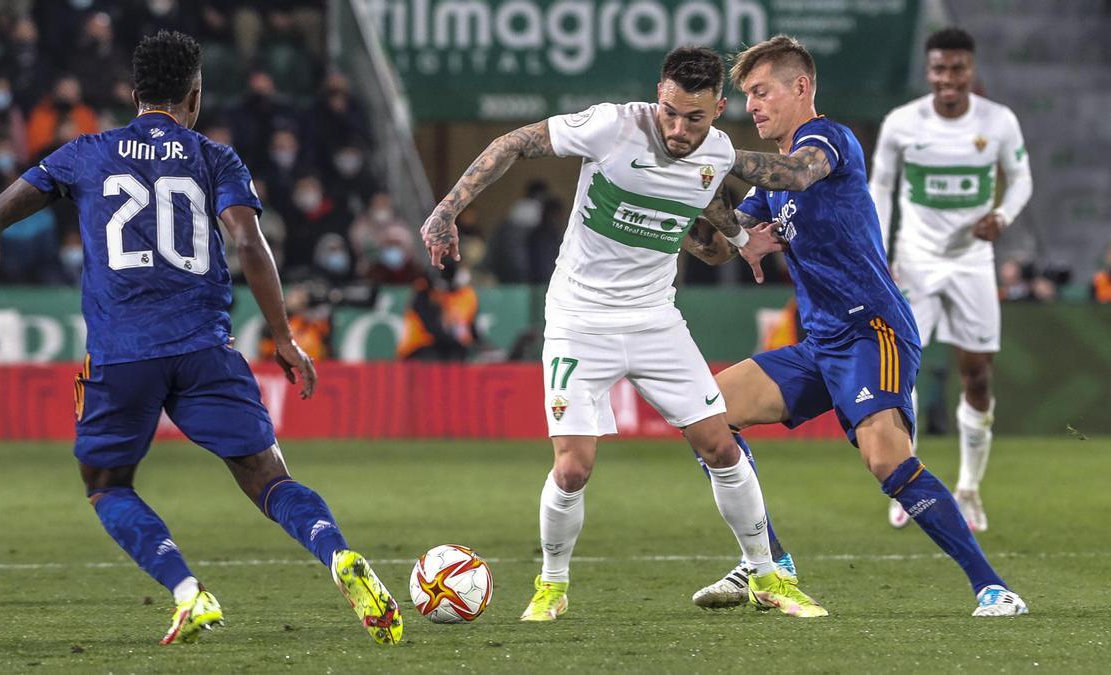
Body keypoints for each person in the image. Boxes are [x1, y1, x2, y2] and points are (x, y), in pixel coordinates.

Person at [0, 31, 401, 646]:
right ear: (195, 95)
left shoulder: (83, 153)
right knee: (270, 478)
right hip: (204, 347)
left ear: (134, 95)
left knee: (107, 486)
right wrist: (285, 337)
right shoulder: (216, 158)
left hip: (122, 354)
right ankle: (339, 554)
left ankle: (189, 592)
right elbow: (248, 245)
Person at [422, 46, 822, 621]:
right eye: (670, 112)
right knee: (574, 466)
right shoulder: (611, 125)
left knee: (721, 447)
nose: (679, 129)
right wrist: (447, 210)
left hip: (656, 317)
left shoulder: (716, 153)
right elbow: (512, 142)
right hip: (578, 319)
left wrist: (739, 239)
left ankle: (767, 576)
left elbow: (708, 211)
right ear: (658, 95)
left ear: (718, 109)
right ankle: (551, 586)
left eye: (695, 117)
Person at [689, 35, 1026, 617]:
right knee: (707, 418)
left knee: (886, 460)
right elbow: (717, 249)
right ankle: (767, 564)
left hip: (874, 331)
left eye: (761, 92)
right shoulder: (771, 189)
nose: (753, 107)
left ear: (801, 87)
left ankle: (993, 588)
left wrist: (716, 156)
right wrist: (686, 196)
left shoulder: (828, 140)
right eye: (746, 96)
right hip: (821, 343)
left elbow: (796, 175)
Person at [869, 28, 1033, 531]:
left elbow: (1022, 179)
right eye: (940, 69)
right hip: (915, 261)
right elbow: (881, 187)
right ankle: (907, 485)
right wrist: (880, 254)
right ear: (929, 71)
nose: (948, 79)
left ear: (971, 71)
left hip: (972, 262)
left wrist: (1002, 217)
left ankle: (969, 489)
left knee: (978, 374)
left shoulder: (998, 121)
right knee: (903, 374)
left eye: (958, 68)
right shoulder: (902, 123)